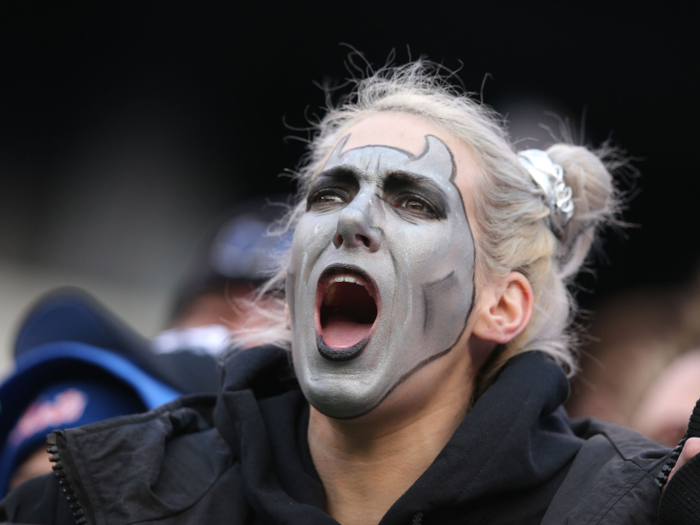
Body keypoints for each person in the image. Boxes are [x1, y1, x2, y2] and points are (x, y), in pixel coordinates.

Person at [2, 60, 699, 525]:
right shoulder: (119, 495)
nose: (354, 220)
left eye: (414, 201)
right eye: (330, 193)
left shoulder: (623, 508)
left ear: (503, 303)